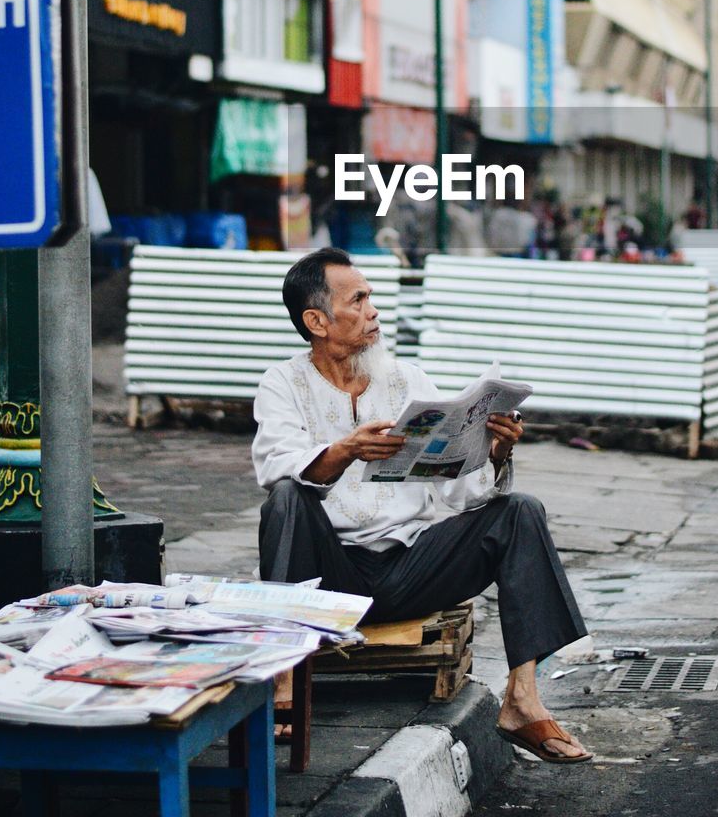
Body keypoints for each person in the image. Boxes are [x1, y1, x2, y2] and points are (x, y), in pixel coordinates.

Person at [252, 247, 593, 763]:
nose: (374, 312)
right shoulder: (283, 383)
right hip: (330, 576)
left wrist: (495, 451)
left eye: (372, 298)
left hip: (412, 568)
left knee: (520, 510)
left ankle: (523, 699)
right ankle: (285, 679)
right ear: (317, 321)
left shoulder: (405, 379)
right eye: (359, 300)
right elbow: (276, 467)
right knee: (284, 497)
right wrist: (346, 450)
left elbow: (459, 492)